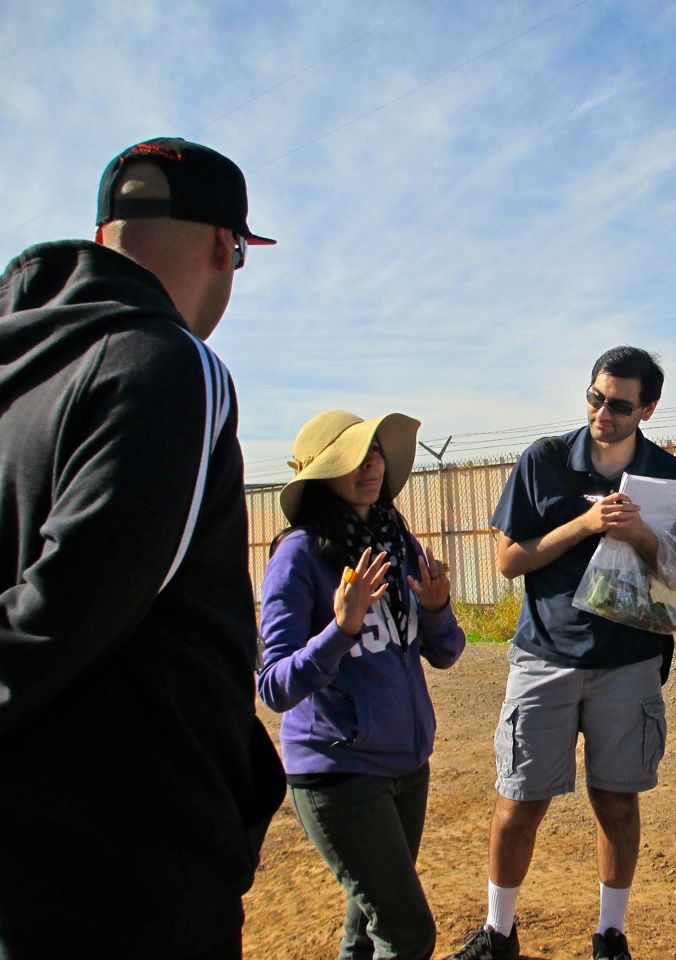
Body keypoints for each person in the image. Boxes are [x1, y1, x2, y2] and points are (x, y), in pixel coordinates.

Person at [0, 137, 283, 957]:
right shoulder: (170, 362)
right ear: (225, 247)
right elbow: (75, 603)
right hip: (129, 859)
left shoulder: (22, 361)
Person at [441, 346, 676, 960]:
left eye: (618, 404)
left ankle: (611, 934)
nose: (602, 412)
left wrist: (637, 532)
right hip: (545, 656)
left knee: (616, 800)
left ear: (648, 408)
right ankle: (498, 932)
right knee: (519, 799)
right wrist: (584, 526)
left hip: (628, 662)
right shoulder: (545, 460)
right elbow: (508, 561)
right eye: (595, 397)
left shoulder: (670, 475)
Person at [258, 410, 465, 960]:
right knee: (407, 931)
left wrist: (438, 608)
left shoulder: (395, 540)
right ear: (323, 473)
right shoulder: (298, 555)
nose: (372, 464)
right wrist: (341, 628)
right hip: (337, 773)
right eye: (355, 456)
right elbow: (274, 685)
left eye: (375, 452)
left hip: (405, 766)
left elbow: (446, 652)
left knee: (366, 936)